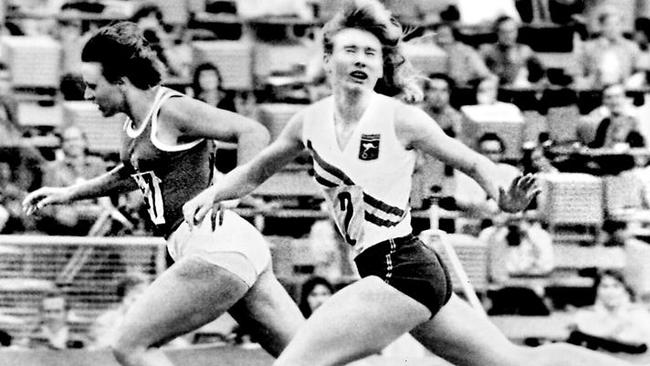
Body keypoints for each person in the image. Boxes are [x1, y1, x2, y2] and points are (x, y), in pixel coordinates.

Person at [182, 1, 635, 365]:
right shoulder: (307, 122)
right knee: (513, 362)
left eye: (370, 53)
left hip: (404, 270)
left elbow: (476, 162)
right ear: (327, 58)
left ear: (382, 67)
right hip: (395, 274)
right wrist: (213, 193)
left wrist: (503, 191)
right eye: (350, 50)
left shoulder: (402, 119)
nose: (360, 60)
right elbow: (257, 170)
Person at [22, 21, 304, 366]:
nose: (87, 95)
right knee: (307, 358)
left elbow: (252, 132)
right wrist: (69, 193)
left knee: (129, 345)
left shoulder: (171, 110)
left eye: (93, 86)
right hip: (228, 247)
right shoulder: (131, 126)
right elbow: (130, 175)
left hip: (216, 246)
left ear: (121, 82)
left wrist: (231, 192)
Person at [568, 269, 650, 353]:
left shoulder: (638, 314)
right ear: (597, 290)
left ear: (625, 290)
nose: (610, 292)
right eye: (604, 286)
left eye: (616, 286)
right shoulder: (584, 315)